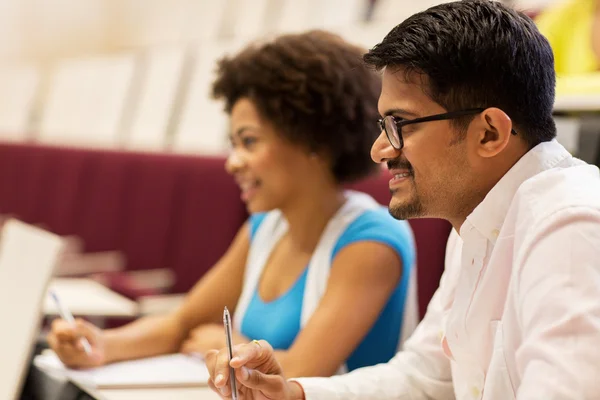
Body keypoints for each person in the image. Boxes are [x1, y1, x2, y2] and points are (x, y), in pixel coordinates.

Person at [205, 1, 600, 399]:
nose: (380, 150)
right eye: (382, 125)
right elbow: (426, 378)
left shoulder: (572, 226)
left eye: (400, 125)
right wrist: (294, 393)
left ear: (489, 134)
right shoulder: (475, 220)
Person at [47, 30, 418, 378]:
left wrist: (232, 347)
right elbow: (181, 325)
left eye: (249, 142)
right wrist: (100, 346)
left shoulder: (373, 241)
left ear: (313, 142)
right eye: (233, 143)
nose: (233, 162)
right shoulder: (265, 228)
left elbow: (305, 371)